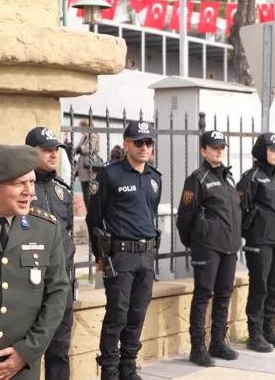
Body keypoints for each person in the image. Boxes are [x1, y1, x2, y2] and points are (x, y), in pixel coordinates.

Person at [0, 145, 69, 380]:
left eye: (31, 182)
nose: (30, 192)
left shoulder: (46, 229)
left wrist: (27, 351)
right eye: (19, 184)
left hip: (20, 369)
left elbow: (58, 293)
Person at [87, 121, 162, 380]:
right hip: (119, 255)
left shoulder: (155, 178)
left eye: (148, 143)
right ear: (127, 143)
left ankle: (128, 365)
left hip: (146, 253)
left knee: (138, 311)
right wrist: (100, 255)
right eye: (139, 142)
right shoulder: (110, 175)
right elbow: (94, 219)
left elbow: (149, 214)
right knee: (118, 312)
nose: (144, 147)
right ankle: (109, 368)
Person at [176, 130, 243, 366]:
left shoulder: (229, 178)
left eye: (222, 147)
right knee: (203, 294)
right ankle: (198, 347)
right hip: (207, 247)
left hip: (229, 247)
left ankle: (218, 342)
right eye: (214, 147)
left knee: (224, 294)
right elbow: (184, 217)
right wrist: (195, 242)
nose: (219, 151)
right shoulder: (197, 178)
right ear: (203, 150)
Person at [25, 127, 77, 380]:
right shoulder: (21, 190)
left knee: (59, 350)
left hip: (61, 283)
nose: (53, 154)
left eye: (56, 149)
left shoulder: (63, 191)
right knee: (27, 351)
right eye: (47, 149)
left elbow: (67, 233)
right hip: (30, 283)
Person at [236, 133, 275, 352]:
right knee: (259, 286)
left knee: (274, 286)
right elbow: (239, 209)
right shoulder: (251, 177)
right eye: (272, 150)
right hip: (260, 241)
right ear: (261, 151)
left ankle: (269, 329)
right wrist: (250, 232)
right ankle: (255, 333)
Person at [75, 119, 101, 205]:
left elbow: (88, 149)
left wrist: (80, 149)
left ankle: (92, 214)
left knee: (90, 194)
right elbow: (77, 148)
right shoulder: (84, 137)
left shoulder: (93, 136)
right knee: (85, 195)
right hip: (83, 167)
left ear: (86, 127)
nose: (80, 130)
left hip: (90, 167)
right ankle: (89, 214)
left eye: (81, 128)